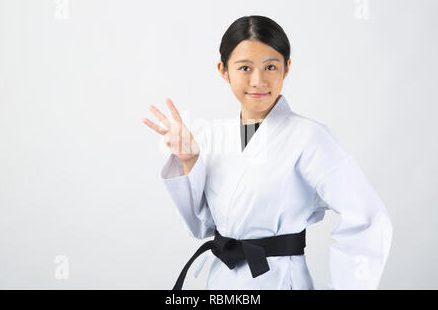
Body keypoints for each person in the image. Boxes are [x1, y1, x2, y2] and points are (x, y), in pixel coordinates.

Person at [142, 15, 393, 290]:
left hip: (279, 279)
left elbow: (368, 219)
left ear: (286, 69)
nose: (258, 80)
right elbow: (200, 227)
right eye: (245, 68)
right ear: (224, 71)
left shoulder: (309, 137)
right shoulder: (213, 136)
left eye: (270, 66)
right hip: (222, 281)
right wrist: (189, 161)